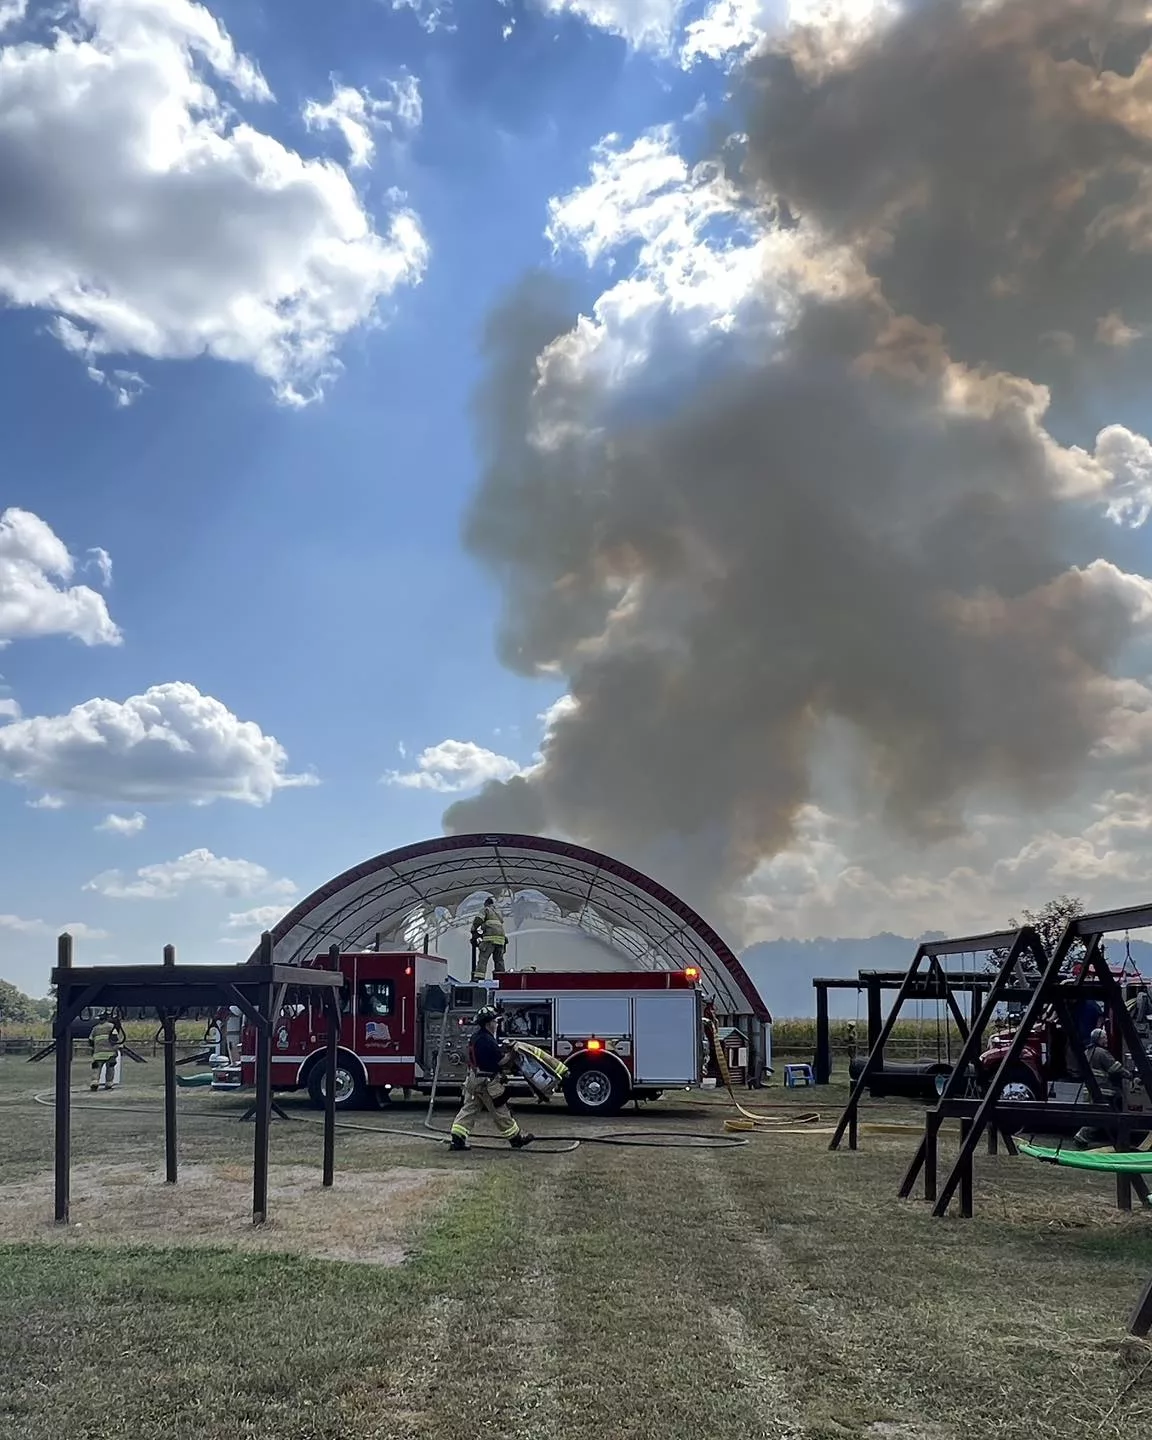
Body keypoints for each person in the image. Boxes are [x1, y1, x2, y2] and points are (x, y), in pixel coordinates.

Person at [449, 1006, 534, 1152]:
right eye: (495, 1021)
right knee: (500, 1110)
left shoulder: (477, 1037)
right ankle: (516, 1139)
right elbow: (501, 1062)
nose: (497, 1024)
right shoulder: (487, 1040)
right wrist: (513, 1053)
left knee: (469, 1108)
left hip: (474, 1079)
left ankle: (457, 1140)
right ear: (489, 1023)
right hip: (486, 1083)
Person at [471, 895, 508, 982]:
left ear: (486, 904)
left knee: (483, 959)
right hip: (501, 940)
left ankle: (479, 977)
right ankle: (501, 978)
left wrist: (473, 930)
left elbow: (478, 920)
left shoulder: (486, 910)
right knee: (499, 961)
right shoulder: (498, 913)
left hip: (489, 939)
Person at [89, 1012, 125, 1092]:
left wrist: (94, 1048)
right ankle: (109, 1083)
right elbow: (115, 1038)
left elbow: (90, 1040)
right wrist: (119, 1048)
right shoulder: (112, 1027)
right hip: (110, 1053)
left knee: (96, 1069)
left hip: (98, 1053)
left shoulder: (95, 1028)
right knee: (110, 1068)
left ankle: (94, 1082)